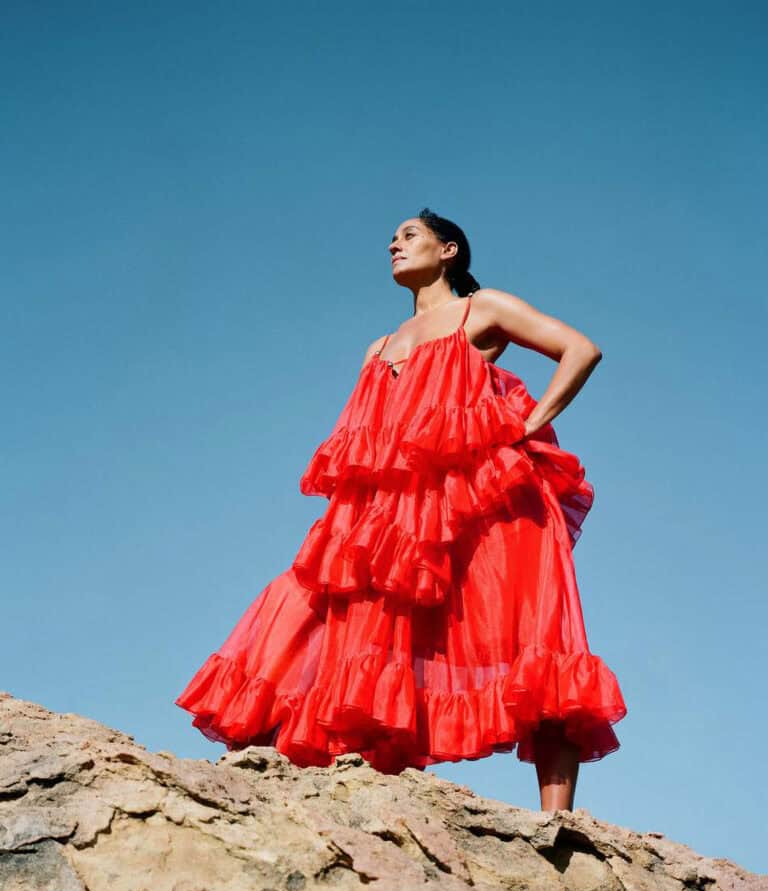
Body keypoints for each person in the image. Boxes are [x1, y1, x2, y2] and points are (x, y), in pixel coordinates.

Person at [175, 207, 627, 811]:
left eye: (409, 235)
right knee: (300, 614)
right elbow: (372, 446)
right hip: (387, 522)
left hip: (477, 506)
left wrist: (526, 426)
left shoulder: (480, 308)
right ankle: (261, 785)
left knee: (525, 637)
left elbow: (580, 349)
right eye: (390, 238)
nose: (394, 244)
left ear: (449, 251)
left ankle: (558, 824)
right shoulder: (379, 347)